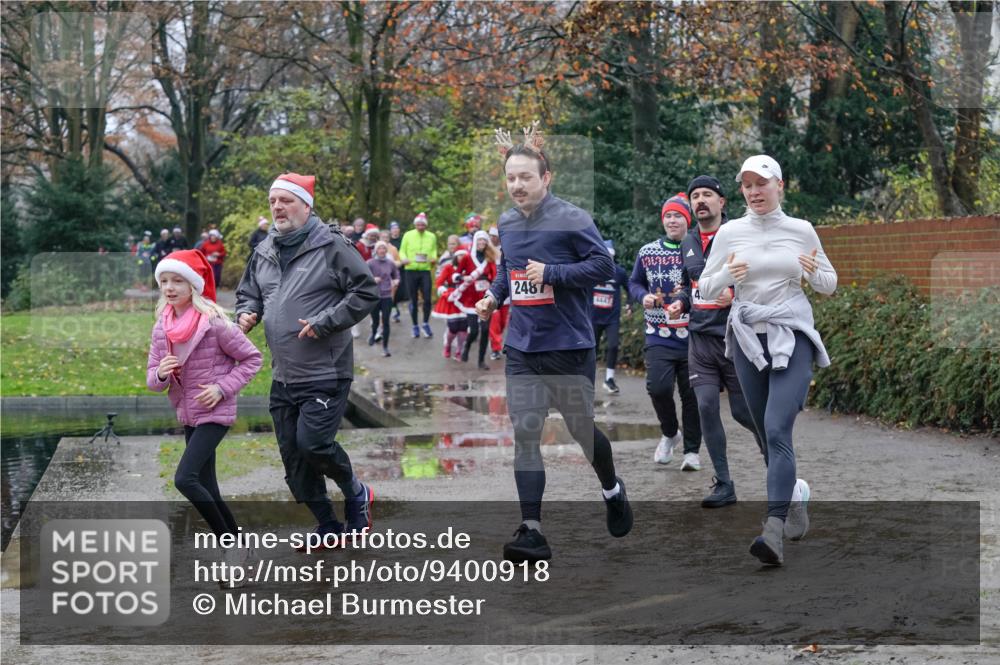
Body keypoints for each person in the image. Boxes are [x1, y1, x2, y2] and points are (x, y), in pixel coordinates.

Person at [475, 123, 632, 562]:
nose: (517, 185)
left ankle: (612, 489)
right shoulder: (506, 222)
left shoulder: (573, 219)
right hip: (523, 347)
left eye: (526, 177)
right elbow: (510, 269)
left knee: (582, 432)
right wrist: (493, 295)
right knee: (525, 433)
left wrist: (554, 274)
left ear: (546, 178)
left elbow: (603, 266)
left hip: (568, 345)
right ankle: (531, 530)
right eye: (510, 178)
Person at [697, 155, 837, 565]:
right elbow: (705, 289)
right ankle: (795, 496)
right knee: (764, 434)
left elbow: (829, 283)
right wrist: (726, 275)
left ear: (780, 185)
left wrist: (814, 274)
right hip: (746, 338)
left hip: (791, 335)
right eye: (747, 185)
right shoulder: (730, 232)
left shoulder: (801, 230)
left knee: (777, 428)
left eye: (762, 183)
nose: (754, 192)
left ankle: (772, 529)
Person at [235, 172, 380, 547]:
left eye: (286, 200)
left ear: (306, 205)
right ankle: (328, 527)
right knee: (294, 459)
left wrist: (325, 322)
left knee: (313, 444)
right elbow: (249, 293)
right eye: (273, 201)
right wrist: (247, 313)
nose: (278, 207)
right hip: (284, 374)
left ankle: (356, 491)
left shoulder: (332, 245)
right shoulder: (264, 250)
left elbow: (365, 292)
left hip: (325, 370)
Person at [146, 249, 262, 585]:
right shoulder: (162, 327)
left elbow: (252, 359)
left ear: (193, 285)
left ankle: (233, 551)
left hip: (215, 411)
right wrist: (163, 374)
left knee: (185, 479)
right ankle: (242, 548)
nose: (169, 287)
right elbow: (152, 378)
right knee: (207, 484)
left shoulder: (214, 324)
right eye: (164, 280)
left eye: (177, 280)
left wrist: (223, 388)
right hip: (188, 414)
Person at [668, 175, 764, 508]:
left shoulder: (740, 234)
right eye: (695, 196)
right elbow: (687, 282)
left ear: (722, 202)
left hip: (736, 337)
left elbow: (761, 274)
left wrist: (734, 293)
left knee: (742, 411)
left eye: (708, 195)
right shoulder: (688, 240)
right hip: (700, 340)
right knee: (706, 406)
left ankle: (776, 459)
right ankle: (724, 484)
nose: (700, 201)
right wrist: (681, 301)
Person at [628, 193, 702, 471]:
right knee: (657, 388)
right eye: (668, 216)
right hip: (657, 333)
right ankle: (671, 433)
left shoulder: (695, 250)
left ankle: (692, 451)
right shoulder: (647, 252)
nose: (672, 220)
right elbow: (634, 282)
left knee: (691, 396)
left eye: (678, 216)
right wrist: (642, 296)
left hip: (692, 334)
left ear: (687, 219)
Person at [591, 239, 630, 394]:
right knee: (591, 349)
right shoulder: (591, 270)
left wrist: (630, 304)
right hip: (593, 316)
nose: (608, 258)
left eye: (610, 256)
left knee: (613, 346)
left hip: (612, 317)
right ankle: (587, 380)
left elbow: (630, 288)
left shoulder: (619, 272)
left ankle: (609, 379)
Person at [457, 231, 498, 369]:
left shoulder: (490, 259)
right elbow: (458, 273)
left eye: (484, 241)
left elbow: (496, 277)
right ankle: (466, 348)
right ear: (475, 242)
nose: (482, 243)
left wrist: (489, 281)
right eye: (479, 241)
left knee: (485, 330)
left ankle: (481, 360)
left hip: (485, 298)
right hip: (470, 298)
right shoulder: (467, 258)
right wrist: (463, 278)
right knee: (474, 331)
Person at [399, 212, 438, 339]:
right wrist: (404, 259)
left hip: (425, 270)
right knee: (413, 300)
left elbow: (434, 251)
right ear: (415, 224)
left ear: (425, 225)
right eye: (418, 224)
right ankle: (415, 325)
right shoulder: (408, 235)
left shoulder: (431, 236)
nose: (420, 226)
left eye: (422, 224)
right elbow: (402, 251)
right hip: (410, 270)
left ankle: (425, 323)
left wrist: (433, 258)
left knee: (427, 299)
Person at [432, 248, 470, 360]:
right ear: (456, 257)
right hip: (452, 298)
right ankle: (447, 345)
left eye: (464, 256)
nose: (462, 258)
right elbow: (439, 282)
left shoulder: (470, 269)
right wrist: (444, 292)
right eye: (460, 256)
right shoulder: (449, 268)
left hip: (466, 299)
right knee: (453, 327)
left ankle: (459, 350)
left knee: (463, 328)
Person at [366, 240, 400, 357]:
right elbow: (362, 277)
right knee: (375, 321)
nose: (382, 251)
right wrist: (372, 279)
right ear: (376, 250)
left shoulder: (390, 263)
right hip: (374, 296)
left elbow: (396, 274)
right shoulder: (370, 263)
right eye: (380, 248)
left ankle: (385, 347)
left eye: (384, 249)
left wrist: (396, 281)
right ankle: (373, 333)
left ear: (386, 251)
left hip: (386, 296)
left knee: (386, 321)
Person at [487, 224, 509, 360]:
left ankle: (497, 340)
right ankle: (495, 348)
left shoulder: (507, 250)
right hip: (491, 292)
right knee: (494, 321)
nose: (492, 239)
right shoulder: (487, 252)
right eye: (491, 236)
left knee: (502, 323)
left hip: (506, 295)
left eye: (494, 236)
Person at [388, 221, 405, 323]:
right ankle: (394, 310)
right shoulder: (388, 243)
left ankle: (395, 307)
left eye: (397, 228)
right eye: (393, 228)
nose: (395, 230)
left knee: (400, 292)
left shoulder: (403, 240)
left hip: (402, 269)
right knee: (392, 290)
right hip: (390, 271)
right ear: (390, 230)